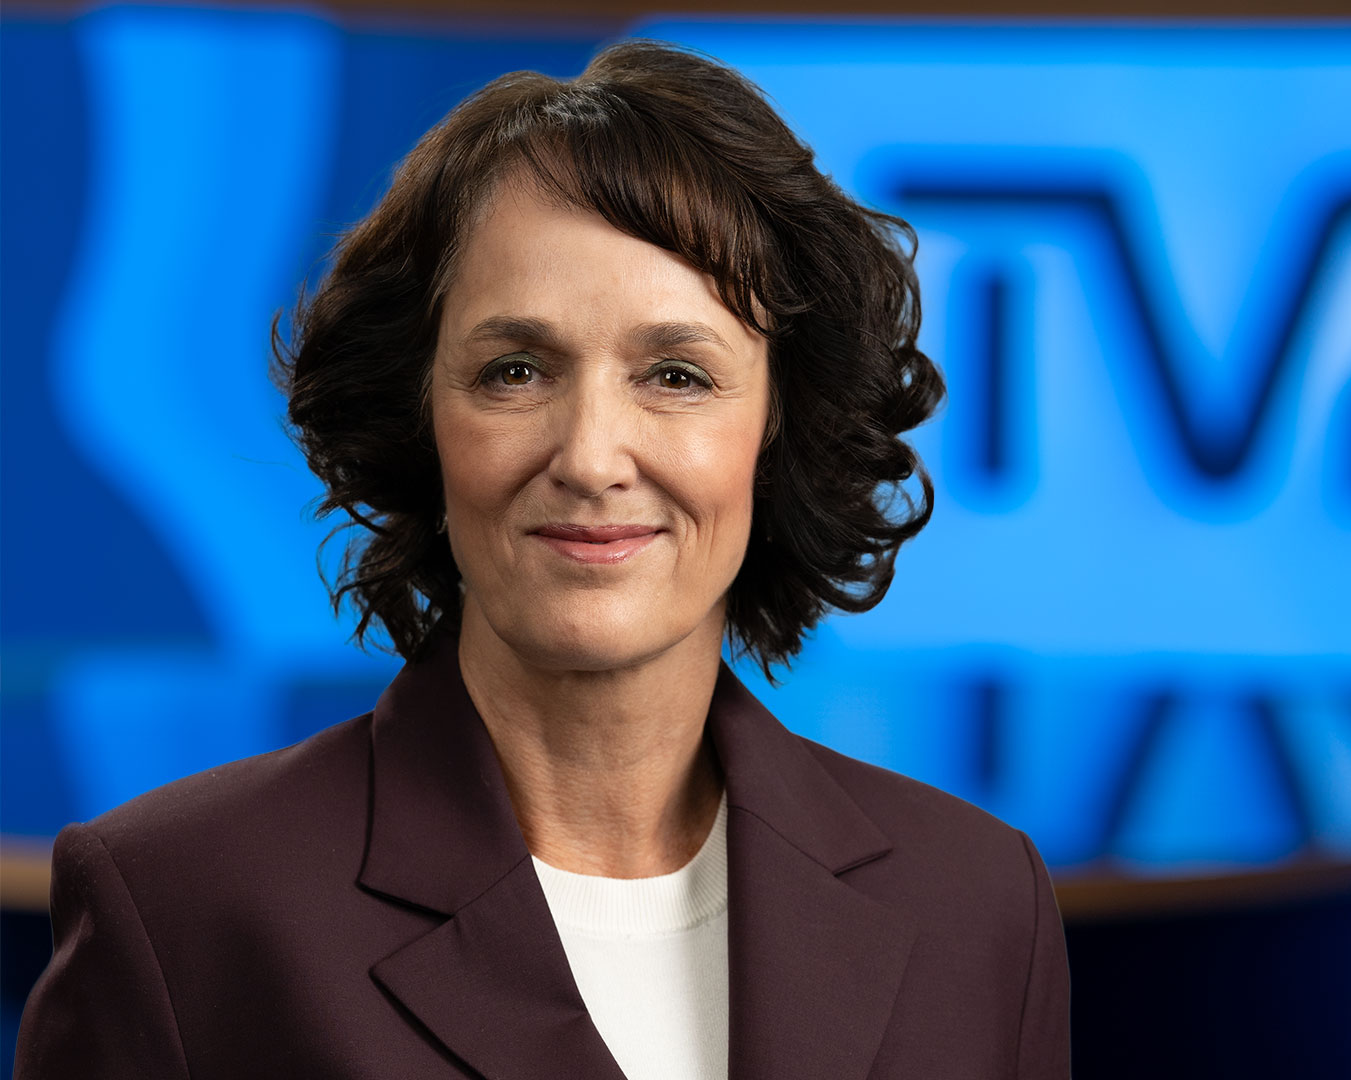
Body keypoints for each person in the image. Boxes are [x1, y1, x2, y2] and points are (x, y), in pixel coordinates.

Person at [15, 39, 1071, 1079]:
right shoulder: (181, 908)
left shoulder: (978, 906)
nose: (591, 458)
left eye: (677, 375)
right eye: (515, 371)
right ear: (418, 419)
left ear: (779, 427)